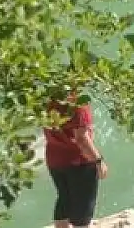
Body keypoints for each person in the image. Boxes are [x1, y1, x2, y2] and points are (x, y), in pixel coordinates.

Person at [44, 97, 107, 228]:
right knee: (82, 214)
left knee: (64, 199)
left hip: (54, 158)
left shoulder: (49, 98)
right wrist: (99, 161)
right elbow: (81, 139)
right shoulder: (78, 103)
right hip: (78, 161)